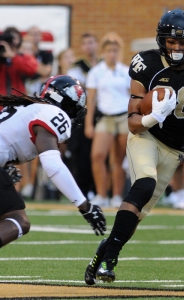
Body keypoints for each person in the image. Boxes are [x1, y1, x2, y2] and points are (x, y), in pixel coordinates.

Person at [83, 9, 184, 285]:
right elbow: (132, 122)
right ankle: (110, 261)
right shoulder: (146, 64)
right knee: (144, 184)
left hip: (176, 148)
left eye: (182, 42)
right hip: (146, 136)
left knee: (135, 217)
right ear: (161, 40)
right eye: (171, 41)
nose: (177, 47)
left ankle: (102, 254)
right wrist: (156, 115)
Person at [0, 75, 106, 249]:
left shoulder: (27, 108)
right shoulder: (53, 113)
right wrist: (84, 205)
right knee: (18, 220)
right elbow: (52, 165)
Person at [85, 32, 130, 208]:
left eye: (115, 50)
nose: (112, 54)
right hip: (105, 116)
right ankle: (101, 194)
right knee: (97, 155)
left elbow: (132, 97)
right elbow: (91, 100)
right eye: (109, 50)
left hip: (123, 116)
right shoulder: (96, 72)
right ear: (103, 52)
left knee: (118, 159)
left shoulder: (126, 71)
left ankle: (117, 195)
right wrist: (88, 123)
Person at [66, 32, 100, 200]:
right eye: (85, 43)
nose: (89, 46)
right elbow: (78, 88)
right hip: (82, 113)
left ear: (97, 44)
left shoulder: (104, 64)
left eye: (91, 42)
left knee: (101, 155)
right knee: (83, 154)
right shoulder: (77, 66)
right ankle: (83, 190)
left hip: (102, 112)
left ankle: (100, 190)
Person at [0, 26, 38, 95]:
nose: (13, 41)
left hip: (17, 100)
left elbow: (31, 70)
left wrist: (12, 56)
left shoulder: (23, 56)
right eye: (10, 39)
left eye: (15, 38)